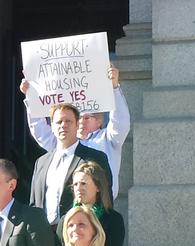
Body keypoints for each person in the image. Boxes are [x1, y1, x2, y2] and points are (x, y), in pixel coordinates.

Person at [20, 64, 130, 199]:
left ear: (99, 122)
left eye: (87, 117)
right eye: (78, 118)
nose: (82, 121)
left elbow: (121, 121)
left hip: (98, 207)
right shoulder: (64, 142)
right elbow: (40, 131)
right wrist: (31, 96)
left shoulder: (108, 139)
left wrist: (114, 88)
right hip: (66, 211)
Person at [29, 103, 112, 234]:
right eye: (59, 122)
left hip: (78, 236)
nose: (63, 125)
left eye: (68, 121)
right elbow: (34, 203)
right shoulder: (41, 162)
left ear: (77, 124)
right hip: (43, 236)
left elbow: (105, 199)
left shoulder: (94, 158)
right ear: (51, 126)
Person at [58, 162, 125, 246]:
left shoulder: (113, 220)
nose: (78, 188)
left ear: (98, 187)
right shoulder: (66, 219)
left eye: (83, 183)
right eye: (75, 184)